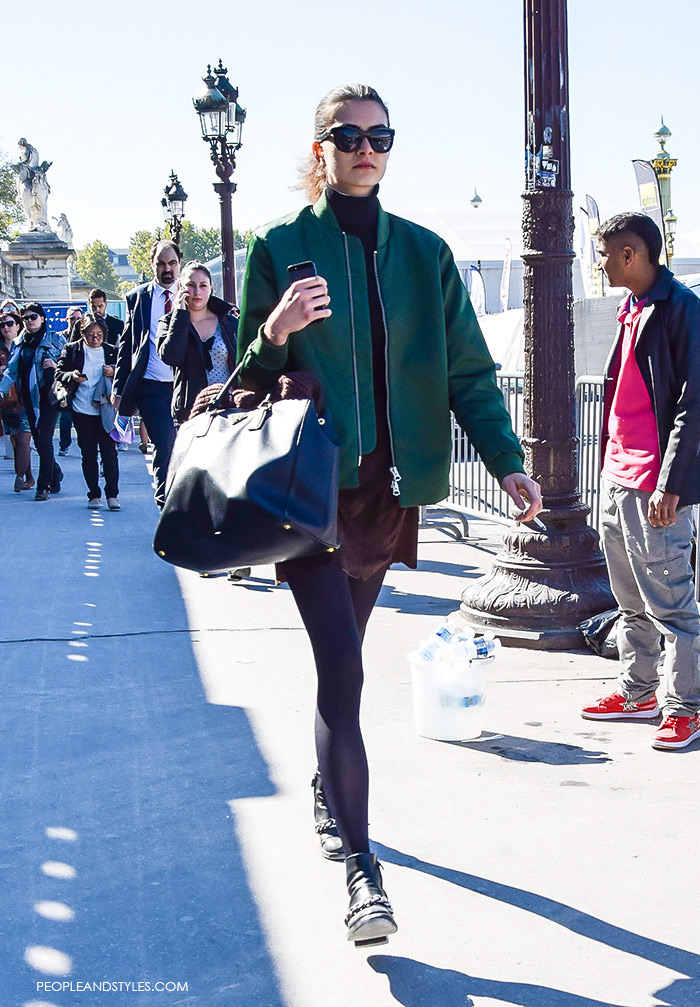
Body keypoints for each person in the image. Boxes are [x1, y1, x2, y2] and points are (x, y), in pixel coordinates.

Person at [236, 83, 542, 946]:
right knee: (344, 672)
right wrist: (276, 329)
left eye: (381, 136)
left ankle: (329, 787)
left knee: (351, 658)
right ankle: (363, 873)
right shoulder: (281, 245)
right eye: (349, 134)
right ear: (321, 147)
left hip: (385, 491)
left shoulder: (424, 254)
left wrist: (507, 463)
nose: (367, 147)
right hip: (306, 488)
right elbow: (243, 379)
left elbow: (468, 375)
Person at [580, 212, 700, 750]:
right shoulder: (630, 308)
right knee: (630, 599)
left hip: (657, 486)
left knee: (672, 604)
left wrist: (671, 485)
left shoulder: (681, 310)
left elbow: (692, 404)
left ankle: (687, 707)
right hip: (617, 478)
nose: (600, 262)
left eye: (605, 252)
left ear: (631, 253)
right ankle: (638, 691)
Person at [112, 239, 180, 508]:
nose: (167, 269)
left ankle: (186, 504)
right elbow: (127, 344)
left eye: (172, 263)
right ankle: (165, 506)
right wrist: (119, 388)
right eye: (161, 264)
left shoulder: (190, 294)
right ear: (152, 265)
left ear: (179, 264)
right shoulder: (138, 297)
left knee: (187, 446)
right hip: (151, 384)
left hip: (185, 384)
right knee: (165, 445)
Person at [156, 261, 238, 426]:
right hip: (191, 412)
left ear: (210, 287)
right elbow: (171, 356)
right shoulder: (168, 323)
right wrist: (179, 314)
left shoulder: (227, 321)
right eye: (191, 285)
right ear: (180, 287)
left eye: (203, 285)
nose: (197, 292)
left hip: (229, 408)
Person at [54, 314, 120, 510]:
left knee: (109, 452)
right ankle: (93, 494)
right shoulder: (72, 349)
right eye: (90, 335)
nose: (95, 339)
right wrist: (72, 375)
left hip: (106, 409)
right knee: (88, 453)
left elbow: (126, 372)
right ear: (82, 334)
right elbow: (59, 372)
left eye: (99, 335)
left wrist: (113, 371)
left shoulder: (111, 351)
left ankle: (112, 495)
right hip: (81, 409)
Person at [0, 302, 63, 500]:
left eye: (33, 317)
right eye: (26, 318)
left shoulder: (55, 339)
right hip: (29, 397)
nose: (29, 321)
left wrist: (56, 364)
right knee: (39, 440)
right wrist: (1, 390)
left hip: (50, 396)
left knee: (44, 439)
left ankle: (43, 486)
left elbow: (68, 363)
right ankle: (55, 473)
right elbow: (11, 371)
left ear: (42, 318)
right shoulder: (20, 343)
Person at [0, 311, 34, 491]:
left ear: (18, 326)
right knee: (15, 441)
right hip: (5, 402)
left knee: (23, 440)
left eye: (10, 323)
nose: (6, 327)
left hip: (26, 400)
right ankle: (30, 475)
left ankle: (20, 477)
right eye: (2, 325)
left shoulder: (26, 346)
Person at [57, 305, 83, 456]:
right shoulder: (60, 338)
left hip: (83, 382)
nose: (75, 321)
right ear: (66, 320)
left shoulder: (86, 338)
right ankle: (64, 445)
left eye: (78, 319)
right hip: (67, 383)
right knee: (66, 416)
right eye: (72, 318)